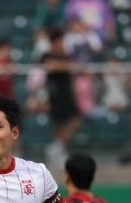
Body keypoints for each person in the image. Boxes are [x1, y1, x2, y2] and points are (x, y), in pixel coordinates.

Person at [42, 29, 82, 169]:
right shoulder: (47, 55)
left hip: (67, 94)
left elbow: (72, 71)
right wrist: (66, 66)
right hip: (54, 95)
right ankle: (58, 153)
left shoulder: (66, 55)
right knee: (58, 125)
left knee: (75, 122)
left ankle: (55, 148)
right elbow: (51, 66)